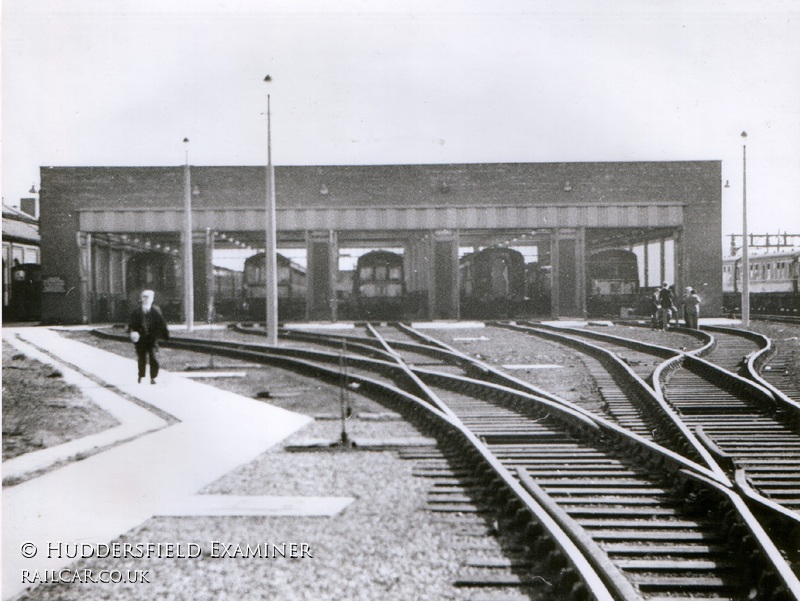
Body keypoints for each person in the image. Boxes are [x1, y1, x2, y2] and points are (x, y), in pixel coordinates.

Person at [128, 289, 169, 384]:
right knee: (141, 358)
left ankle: (153, 377)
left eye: (148, 297)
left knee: (153, 357)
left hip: (152, 339)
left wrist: (161, 335)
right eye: (144, 297)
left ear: (152, 299)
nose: (146, 299)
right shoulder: (136, 311)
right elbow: (132, 324)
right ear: (141, 298)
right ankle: (141, 376)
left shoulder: (156, 310)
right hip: (140, 339)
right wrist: (133, 332)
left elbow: (161, 323)